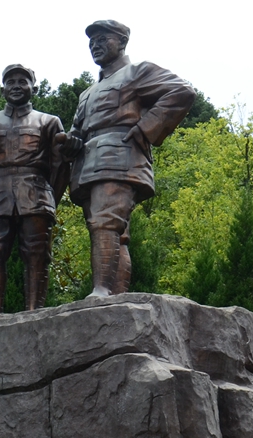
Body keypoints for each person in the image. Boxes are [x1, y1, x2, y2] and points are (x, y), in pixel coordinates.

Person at [59, 20, 196, 297]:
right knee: (113, 232)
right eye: (92, 41)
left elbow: (182, 91)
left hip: (119, 156)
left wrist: (146, 128)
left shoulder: (137, 72)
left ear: (122, 42)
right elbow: (78, 129)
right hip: (88, 163)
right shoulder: (87, 93)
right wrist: (71, 141)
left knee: (105, 222)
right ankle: (115, 297)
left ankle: (101, 290)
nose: (95, 45)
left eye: (103, 39)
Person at [0, 64, 69, 318]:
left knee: (37, 250)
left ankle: (34, 309)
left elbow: (61, 164)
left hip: (35, 190)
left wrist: (50, 197)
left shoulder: (48, 121)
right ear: (2, 90)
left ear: (34, 88)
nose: (16, 86)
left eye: (23, 81)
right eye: (10, 82)